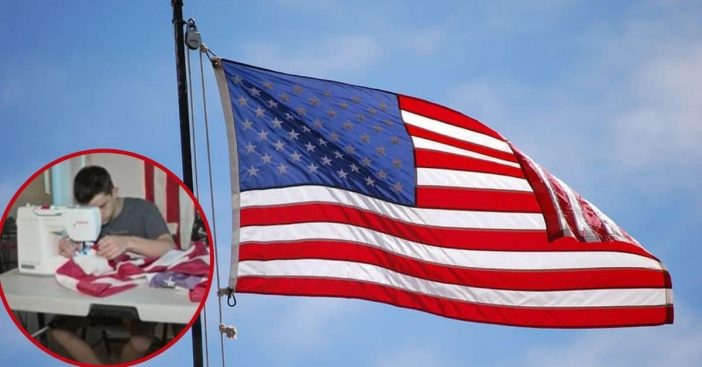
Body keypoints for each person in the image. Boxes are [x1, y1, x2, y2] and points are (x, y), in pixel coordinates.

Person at [50, 165, 175, 364]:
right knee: (58, 331)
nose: (98, 216)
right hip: (99, 293)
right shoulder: (84, 219)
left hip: (138, 292)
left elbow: (169, 248)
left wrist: (129, 242)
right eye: (90, 209)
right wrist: (68, 248)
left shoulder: (144, 209)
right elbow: (79, 252)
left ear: (114, 192)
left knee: (140, 343)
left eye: (102, 206)